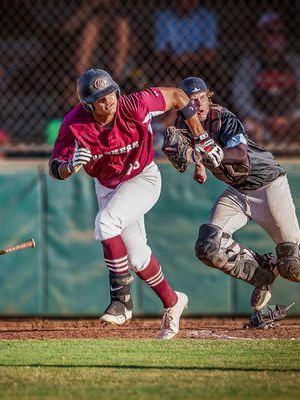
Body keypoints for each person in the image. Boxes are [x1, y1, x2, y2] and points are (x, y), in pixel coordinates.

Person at [163, 76, 300, 332]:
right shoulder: (184, 124)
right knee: (209, 246)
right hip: (238, 191)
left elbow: (240, 155)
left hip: (268, 184)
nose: (197, 105)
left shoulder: (224, 119)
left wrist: (207, 155)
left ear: (208, 97)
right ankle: (264, 271)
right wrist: (199, 163)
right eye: (190, 102)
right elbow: (188, 150)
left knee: (293, 262)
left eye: (201, 98)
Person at [49, 69, 216, 339]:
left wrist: (201, 136)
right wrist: (69, 166)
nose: (109, 100)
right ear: (88, 105)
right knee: (138, 258)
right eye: (101, 98)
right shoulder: (74, 124)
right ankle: (174, 301)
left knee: (105, 223)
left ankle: (121, 303)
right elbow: (54, 168)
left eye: (111, 93)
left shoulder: (134, 104)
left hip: (143, 177)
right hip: (107, 186)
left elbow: (176, 95)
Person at [232, 12, 300, 145]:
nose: (276, 36)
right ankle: (257, 165)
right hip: (261, 122)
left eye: (280, 32)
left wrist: (290, 118)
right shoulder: (250, 63)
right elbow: (240, 99)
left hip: (292, 122)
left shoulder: (294, 62)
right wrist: (265, 119)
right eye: (270, 32)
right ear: (260, 35)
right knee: (249, 127)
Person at [154, 0, 217, 85]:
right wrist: (175, 60)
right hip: (171, 65)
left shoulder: (207, 17)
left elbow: (210, 54)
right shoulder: (164, 17)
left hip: (199, 66)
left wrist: (188, 57)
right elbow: (159, 53)